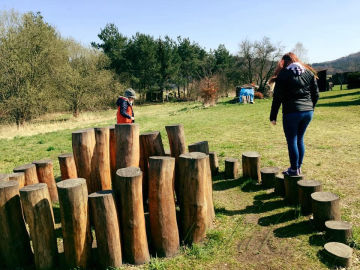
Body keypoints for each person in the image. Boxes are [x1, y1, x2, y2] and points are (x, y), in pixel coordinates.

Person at [269, 52, 319, 176]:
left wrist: (273, 117)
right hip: (307, 112)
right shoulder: (309, 73)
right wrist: (310, 107)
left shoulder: (283, 75)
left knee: (292, 140)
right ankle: (298, 167)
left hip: (291, 113)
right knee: (300, 139)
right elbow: (316, 94)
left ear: (284, 63)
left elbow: (277, 98)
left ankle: (294, 169)